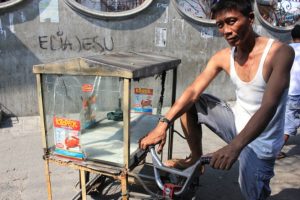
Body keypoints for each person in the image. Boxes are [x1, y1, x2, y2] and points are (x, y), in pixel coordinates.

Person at [139, 0, 295, 199]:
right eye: (220, 25)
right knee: (193, 102)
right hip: (235, 123)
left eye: (231, 21)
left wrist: (234, 147)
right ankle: (195, 159)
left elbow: (269, 106)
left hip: (261, 141)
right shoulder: (223, 56)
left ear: (250, 19)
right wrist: (163, 125)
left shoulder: (280, 53)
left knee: (253, 195)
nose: (226, 31)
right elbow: (193, 90)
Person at [277, 25, 300, 159]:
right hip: (296, 93)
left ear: (292, 36)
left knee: (283, 118)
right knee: (289, 124)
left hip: (284, 90)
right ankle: (275, 150)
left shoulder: (284, 49)